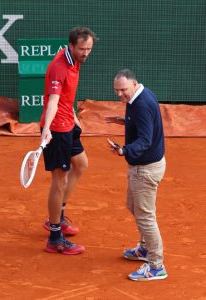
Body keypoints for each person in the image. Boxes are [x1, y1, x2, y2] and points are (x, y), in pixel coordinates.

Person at [40, 27, 98, 255]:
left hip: (68, 123)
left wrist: (73, 116)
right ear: (71, 46)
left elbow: (66, 95)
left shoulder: (74, 59)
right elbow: (53, 99)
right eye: (82, 49)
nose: (86, 53)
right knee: (59, 180)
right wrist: (46, 129)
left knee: (81, 164)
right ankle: (55, 237)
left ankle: (59, 216)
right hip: (56, 129)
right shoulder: (59, 67)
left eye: (89, 49)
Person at [106, 69, 168, 281]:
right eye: (116, 91)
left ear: (133, 84)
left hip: (146, 168)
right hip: (144, 166)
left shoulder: (140, 104)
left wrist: (123, 150)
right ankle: (143, 249)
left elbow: (145, 140)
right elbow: (145, 123)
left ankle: (156, 265)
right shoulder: (141, 95)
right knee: (133, 206)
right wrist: (125, 121)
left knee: (145, 217)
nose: (120, 94)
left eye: (122, 90)